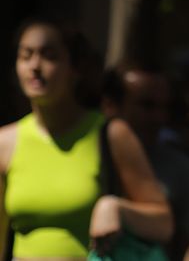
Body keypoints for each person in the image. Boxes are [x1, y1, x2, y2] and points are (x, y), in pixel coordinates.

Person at [1, 19, 174, 258]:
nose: (35, 66)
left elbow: (164, 224)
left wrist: (117, 208)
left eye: (49, 56)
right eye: (25, 56)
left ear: (75, 68)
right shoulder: (5, 142)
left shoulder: (111, 134)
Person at [102, 63, 189, 261]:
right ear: (110, 106)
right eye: (147, 105)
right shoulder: (90, 158)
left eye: (164, 107)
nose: (159, 117)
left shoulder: (180, 168)